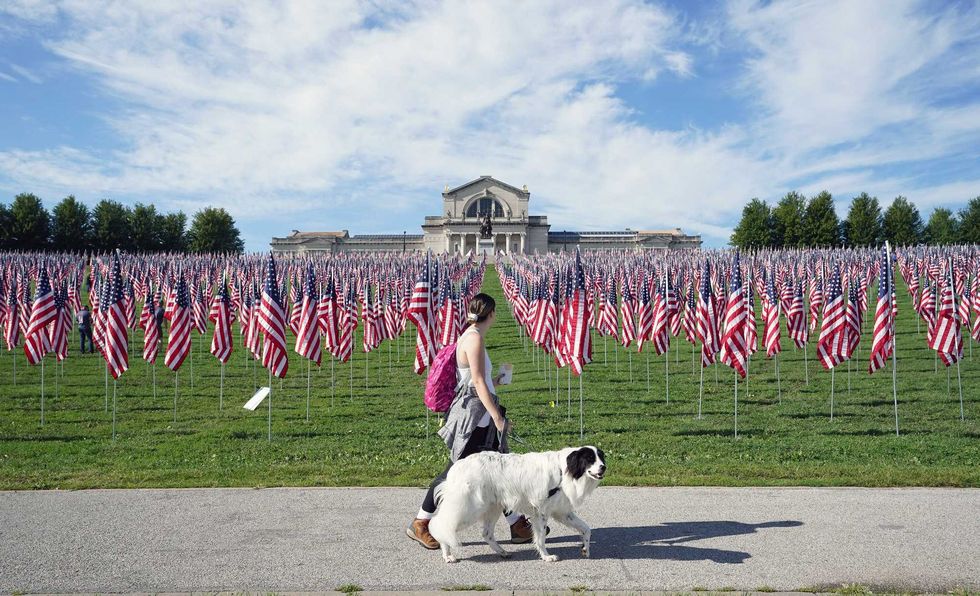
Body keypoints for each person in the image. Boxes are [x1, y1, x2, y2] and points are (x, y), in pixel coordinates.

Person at [407, 293, 538, 550]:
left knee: (498, 470)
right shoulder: (474, 339)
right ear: (490, 314)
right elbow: (477, 382)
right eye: (495, 313)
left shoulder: (469, 335)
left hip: (479, 414)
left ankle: (516, 524)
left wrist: (496, 381)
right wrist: (498, 417)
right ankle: (421, 522)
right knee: (455, 470)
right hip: (476, 418)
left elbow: (476, 379)